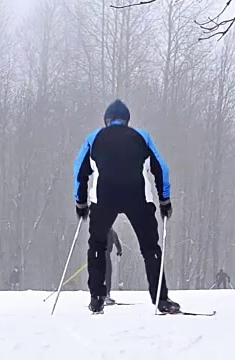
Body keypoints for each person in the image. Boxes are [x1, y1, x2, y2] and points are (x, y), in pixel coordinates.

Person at [73, 99, 178, 314]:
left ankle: (96, 297)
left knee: (97, 246)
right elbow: (162, 169)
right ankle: (161, 298)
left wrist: (81, 202)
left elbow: (79, 171)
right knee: (150, 248)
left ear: (106, 120)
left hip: (104, 196)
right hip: (137, 194)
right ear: (127, 121)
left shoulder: (94, 138)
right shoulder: (142, 137)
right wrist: (164, 200)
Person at [105, 228, 123, 305]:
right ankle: (106, 295)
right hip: (106, 255)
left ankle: (97, 295)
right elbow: (117, 242)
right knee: (107, 275)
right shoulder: (111, 232)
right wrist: (119, 251)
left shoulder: (98, 228)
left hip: (98, 255)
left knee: (99, 275)